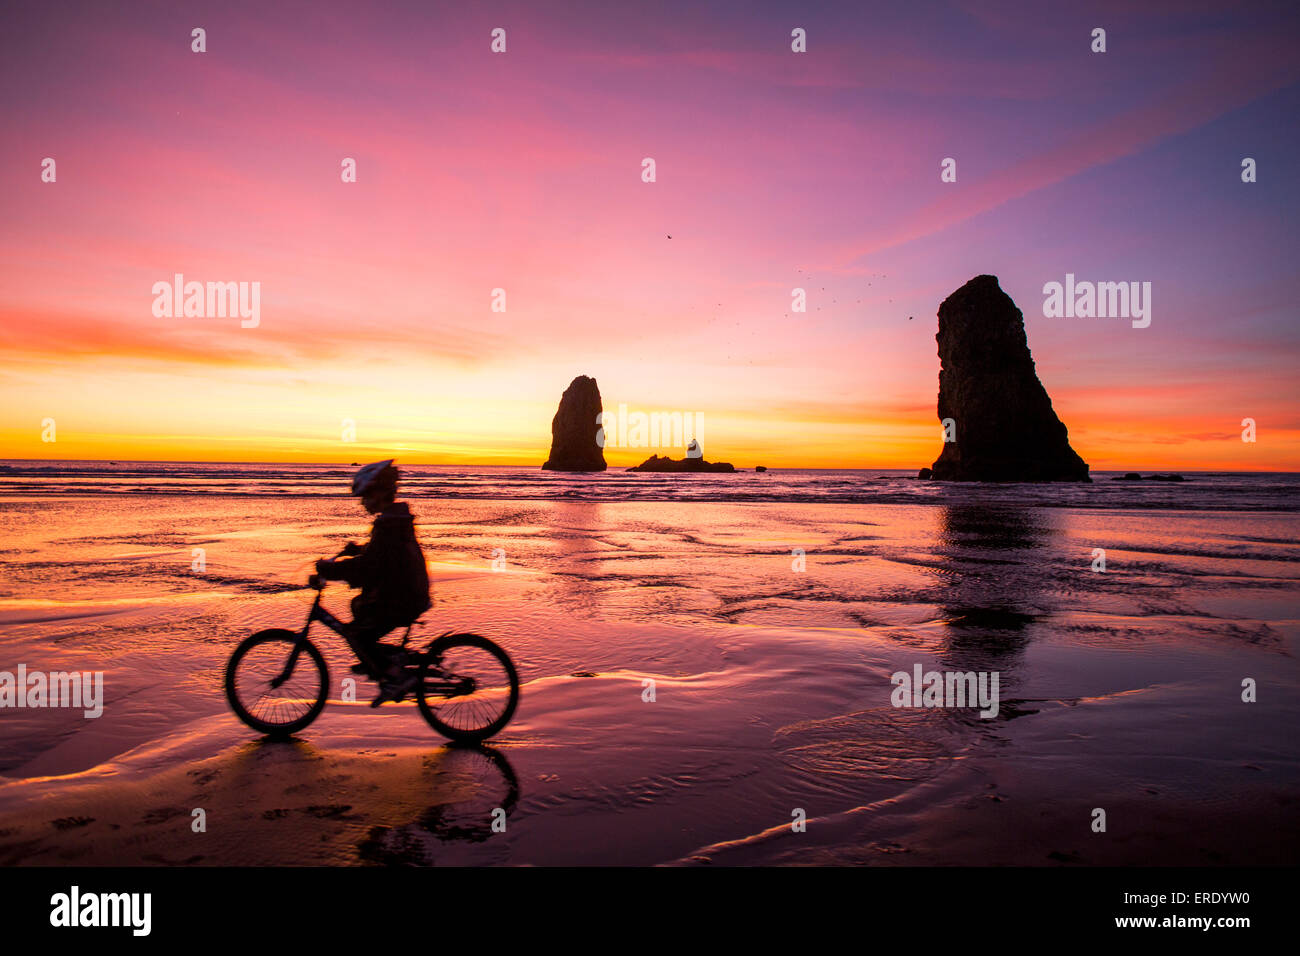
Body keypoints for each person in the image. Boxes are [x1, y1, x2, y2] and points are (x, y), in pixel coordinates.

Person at [316, 460, 431, 706]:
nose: (363, 502)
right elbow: (381, 556)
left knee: (356, 635)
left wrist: (331, 570)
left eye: (366, 496)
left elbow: (368, 569)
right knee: (360, 612)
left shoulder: (389, 525)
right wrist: (359, 550)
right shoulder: (392, 521)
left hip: (402, 598)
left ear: (379, 493)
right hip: (405, 592)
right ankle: (380, 661)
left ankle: (394, 675)